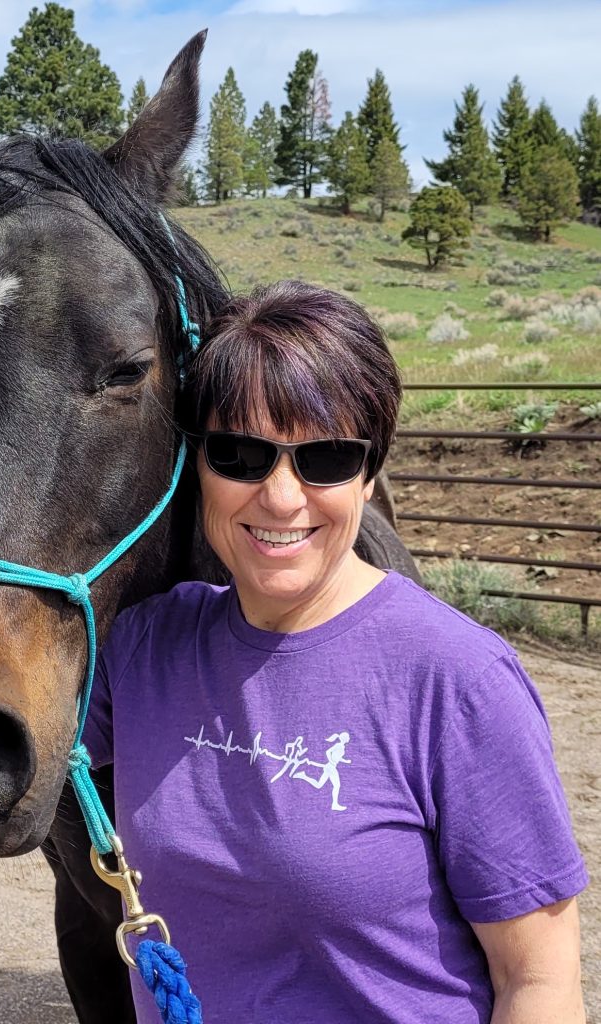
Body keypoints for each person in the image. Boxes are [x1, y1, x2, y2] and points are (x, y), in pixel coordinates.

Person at [83, 281, 587, 1024]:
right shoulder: (140, 651)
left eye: (325, 460)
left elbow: (538, 983)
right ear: (196, 465)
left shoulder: (457, 682)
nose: (282, 498)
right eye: (240, 454)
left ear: (369, 472)